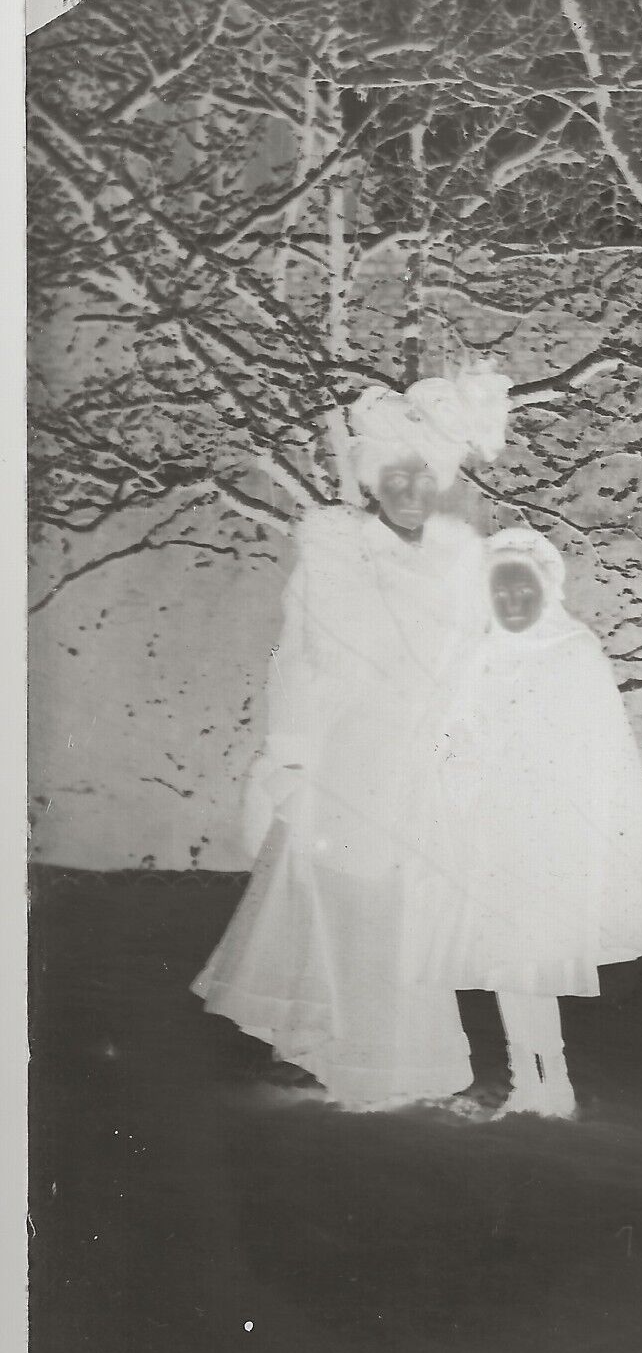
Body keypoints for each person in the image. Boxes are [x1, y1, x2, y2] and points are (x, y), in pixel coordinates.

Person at [192, 366, 512, 1111]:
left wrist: (464, 746)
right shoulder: (336, 550)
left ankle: (388, 1061)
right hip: (345, 752)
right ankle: (316, 1049)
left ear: (436, 481)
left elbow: (474, 664)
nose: (406, 487)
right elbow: (299, 657)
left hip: (415, 756)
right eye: (392, 474)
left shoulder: (459, 561)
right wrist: (290, 753)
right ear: (372, 479)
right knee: (330, 901)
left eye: (419, 475)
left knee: (396, 911)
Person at [416, 528, 642, 1117]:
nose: (513, 603)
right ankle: (524, 1083)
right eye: (501, 593)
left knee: (536, 959)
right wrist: (459, 763)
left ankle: (556, 1081)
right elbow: (451, 733)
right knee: (506, 961)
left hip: (550, 830)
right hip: (492, 829)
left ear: (545, 589)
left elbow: (592, 748)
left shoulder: (573, 650)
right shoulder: (477, 654)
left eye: (523, 591)